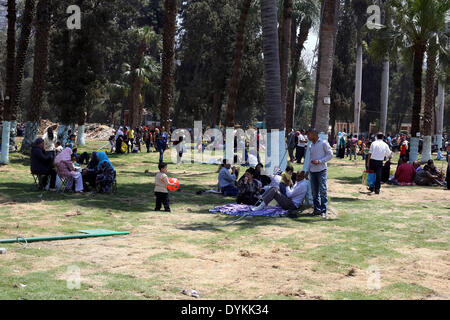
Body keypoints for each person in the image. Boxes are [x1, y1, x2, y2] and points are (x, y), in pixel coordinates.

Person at [306, 129, 333, 218]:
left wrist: (320, 161)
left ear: (314, 134)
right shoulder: (311, 146)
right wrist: (307, 171)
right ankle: (316, 210)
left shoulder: (323, 143)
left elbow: (330, 155)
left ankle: (323, 211)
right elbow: (310, 159)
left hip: (321, 171)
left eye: (309, 135)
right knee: (314, 192)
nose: (307, 137)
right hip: (312, 172)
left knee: (323, 191)